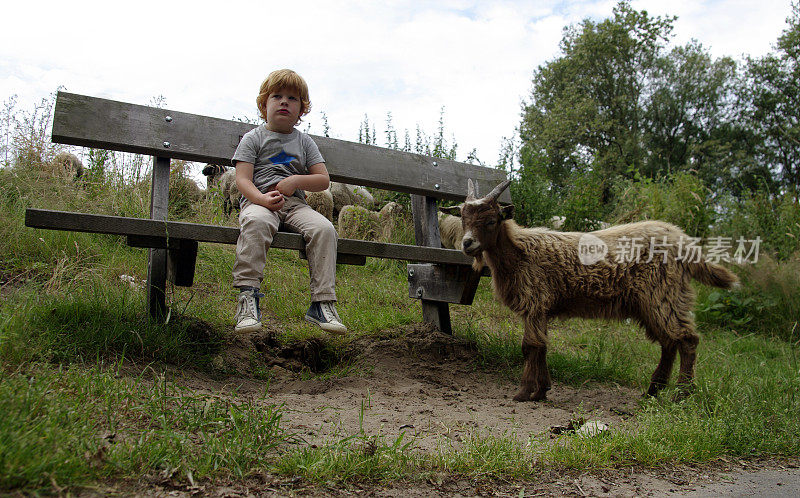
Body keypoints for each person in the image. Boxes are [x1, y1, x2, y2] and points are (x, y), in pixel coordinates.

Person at [231, 69, 346, 335]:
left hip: (295, 205)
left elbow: (322, 180)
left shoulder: (304, 142)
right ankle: (248, 298)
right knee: (256, 223)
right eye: (277, 96)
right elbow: (242, 179)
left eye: (292, 99)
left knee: (324, 229)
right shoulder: (253, 138)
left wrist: (295, 181)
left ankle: (322, 302)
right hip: (260, 202)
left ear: (301, 110)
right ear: (264, 104)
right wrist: (260, 198)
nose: (284, 102)